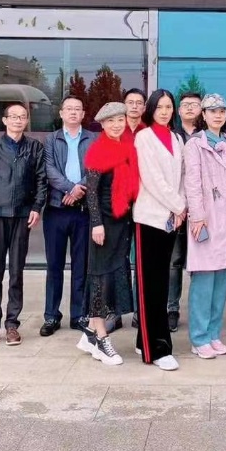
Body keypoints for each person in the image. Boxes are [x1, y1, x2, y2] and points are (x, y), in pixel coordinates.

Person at [0, 102, 47, 347]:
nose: (18, 120)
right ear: (5, 120)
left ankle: (12, 325)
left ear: (27, 121)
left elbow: (41, 180)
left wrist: (37, 207)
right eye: (13, 116)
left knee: (17, 272)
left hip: (22, 215)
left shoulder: (34, 147)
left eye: (22, 117)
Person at [78, 102, 138, 366]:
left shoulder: (127, 147)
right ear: (102, 124)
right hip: (103, 223)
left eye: (120, 120)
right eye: (110, 121)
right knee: (100, 279)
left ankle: (89, 334)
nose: (116, 125)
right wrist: (96, 224)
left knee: (112, 276)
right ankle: (102, 339)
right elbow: (91, 193)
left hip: (121, 222)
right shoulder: (98, 150)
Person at [132, 89, 186, 371]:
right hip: (150, 219)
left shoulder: (177, 138)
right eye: (160, 107)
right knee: (150, 285)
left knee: (162, 284)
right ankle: (157, 349)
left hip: (171, 218)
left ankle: (144, 339)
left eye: (168, 107)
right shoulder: (143, 137)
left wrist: (180, 208)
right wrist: (178, 206)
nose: (165, 112)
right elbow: (152, 179)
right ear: (151, 109)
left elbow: (182, 178)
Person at [184, 94, 226, 359]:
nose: (218, 115)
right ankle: (199, 338)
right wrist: (197, 216)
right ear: (203, 115)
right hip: (206, 218)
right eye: (212, 111)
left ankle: (214, 334)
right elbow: (192, 183)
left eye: (222, 111)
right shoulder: (196, 144)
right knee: (204, 281)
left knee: (221, 281)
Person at [40, 95, 96, 337]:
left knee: (81, 266)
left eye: (77, 109)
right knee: (54, 265)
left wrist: (79, 190)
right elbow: (49, 169)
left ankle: (78, 315)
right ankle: (51, 316)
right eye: (69, 109)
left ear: (83, 114)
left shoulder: (93, 139)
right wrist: (70, 188)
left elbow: (96, 168)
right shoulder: (50, 140)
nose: (73, 112)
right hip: (56, 209)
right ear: (61, 113)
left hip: (83, 211)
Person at [168, 91, 204, 332]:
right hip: (176, 208)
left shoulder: (207, 136)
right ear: (178, 111)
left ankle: (198, 311)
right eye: (185, 105)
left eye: (195, 104)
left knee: (200, 263)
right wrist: (177, 206)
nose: (190, 108)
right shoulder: (171, 136)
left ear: (202, 110)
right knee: (174, 261)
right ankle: (172, 308)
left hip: (203, 210)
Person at [122, 87, 148, 330]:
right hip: (118, 204)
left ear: (144, 107)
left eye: (139, 102)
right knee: (118, 259)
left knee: (141, 260)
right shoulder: (115, 131)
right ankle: (116, 310)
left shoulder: (148, 133)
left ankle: (140, 311)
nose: (134, 106)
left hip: (143, 203)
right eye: (130, 102)